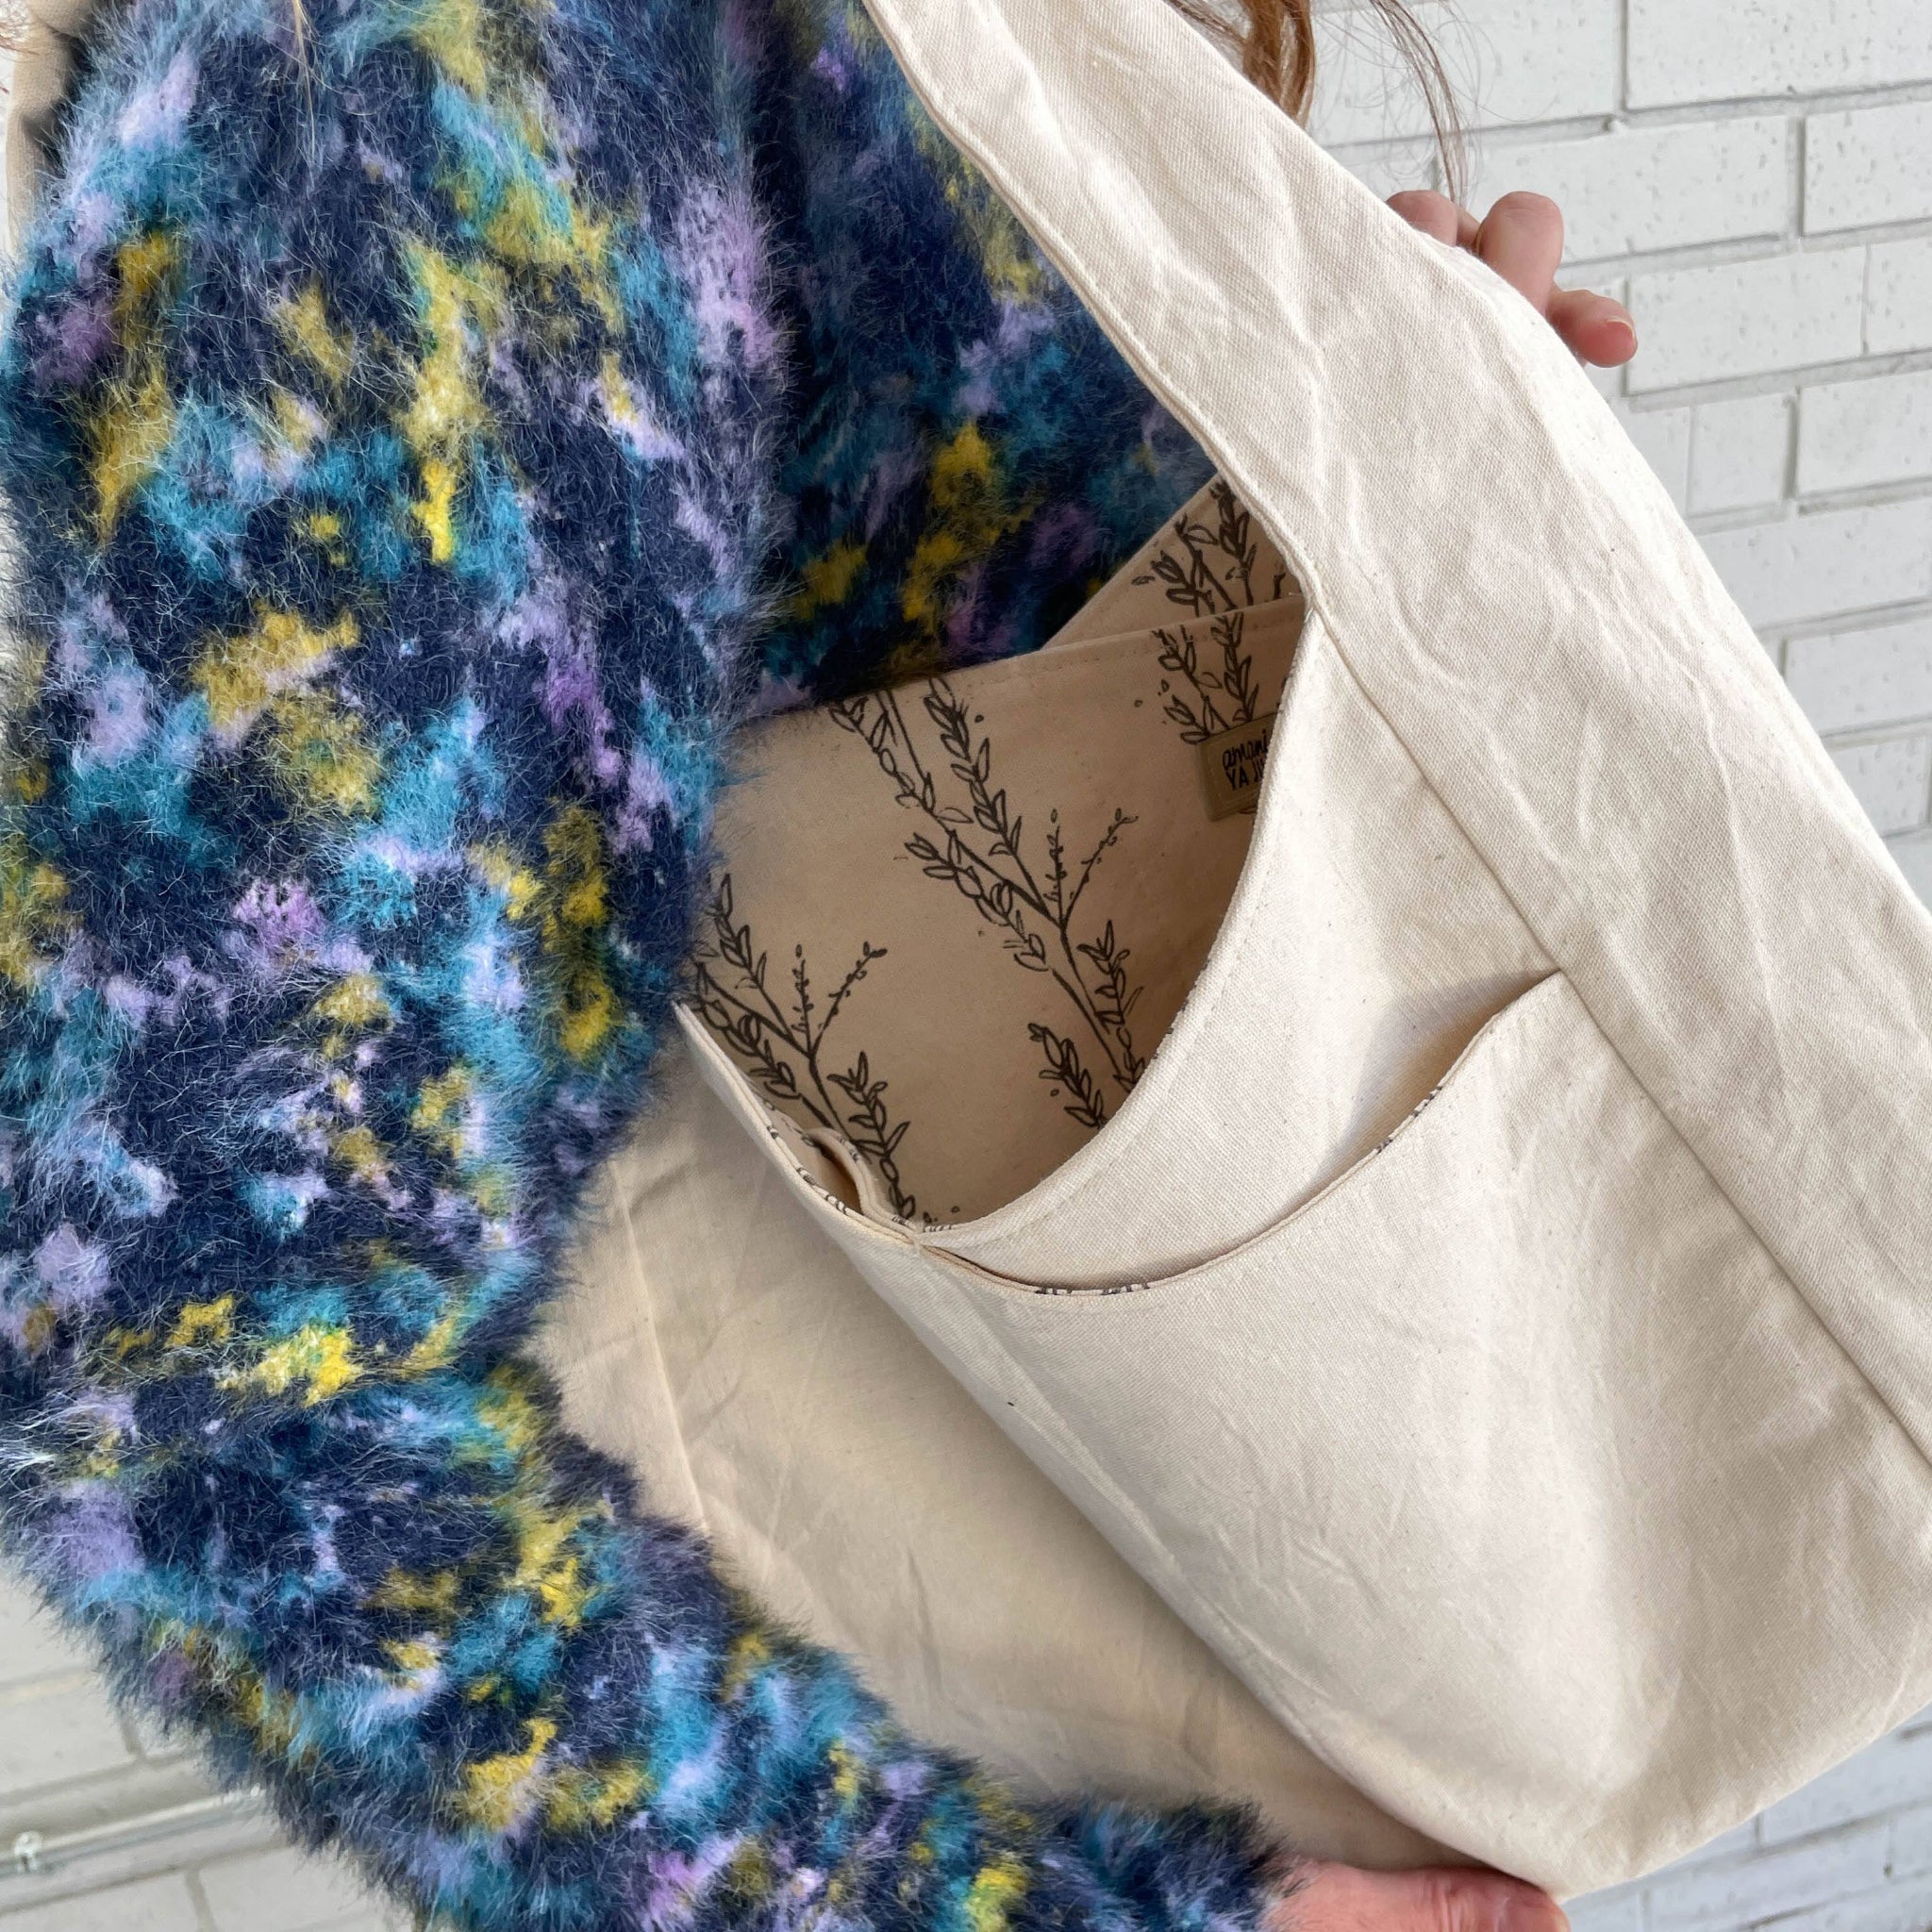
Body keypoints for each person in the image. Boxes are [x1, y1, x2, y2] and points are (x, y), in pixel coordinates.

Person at [0, 6, 1632, 1932]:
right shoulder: (423, 79)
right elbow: (218, 1392)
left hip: (1311, 1649)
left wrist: (1325, 491)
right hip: (1087, 1784)